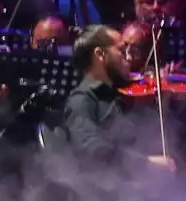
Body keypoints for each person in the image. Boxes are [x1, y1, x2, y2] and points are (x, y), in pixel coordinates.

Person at [62, 25, 176, 171]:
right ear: (100, 54)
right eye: (121, 51)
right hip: (108, 191)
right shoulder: (82, 99)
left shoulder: (122, 95)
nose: (128, 57)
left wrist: (164, 103)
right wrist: (146, 163)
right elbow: (92, 150)